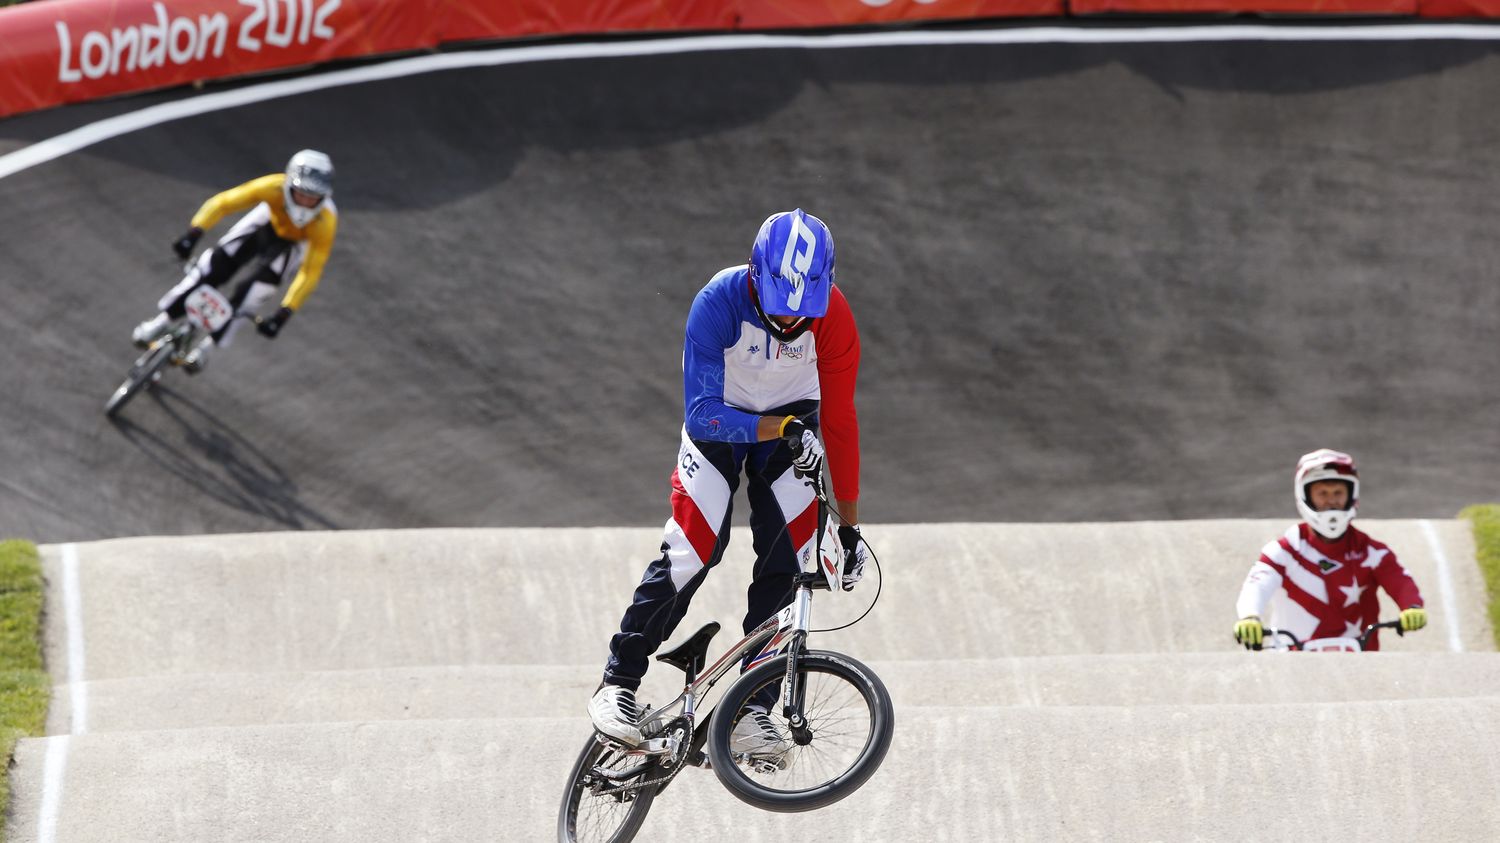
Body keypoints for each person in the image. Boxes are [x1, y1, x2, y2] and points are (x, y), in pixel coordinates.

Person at [588, 208, 869, 755]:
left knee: (791, 558)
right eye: (780, 311)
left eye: (802, 314)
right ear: (754, 275)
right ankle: (617, 682)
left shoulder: (833, 316)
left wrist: (852, 528)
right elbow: (702, 415)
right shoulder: (717, 301)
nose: (791, 324)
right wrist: (780, 426)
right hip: (722, 423)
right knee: (695, 549)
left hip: (791, 429)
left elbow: (840, 423)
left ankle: (750, 710)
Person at [131, 149, 338, 372]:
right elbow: (223, 203)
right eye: (301, 193)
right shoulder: (272, 188)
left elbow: (310, 273)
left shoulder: (325, 222)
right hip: (267, 222)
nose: (306, 202)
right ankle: (161, 321)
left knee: (252, 293)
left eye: (313, 197)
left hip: (296, 244)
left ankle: (206, 349)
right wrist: (194, 233)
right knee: (212, 267)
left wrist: (284, 313)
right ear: (289, 185)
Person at [1234, 448, 1427, 651]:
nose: (1331, 500)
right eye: (1322, 493)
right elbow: (1257, 585)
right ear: (1305, 496)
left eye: (1338, 493)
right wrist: (1250, 616)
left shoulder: (1372, 552)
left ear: (1351, 495)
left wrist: (1412, 606)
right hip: (1290, 660)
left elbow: (1399, 579)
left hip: (1360, 662)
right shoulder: (1284, 551)